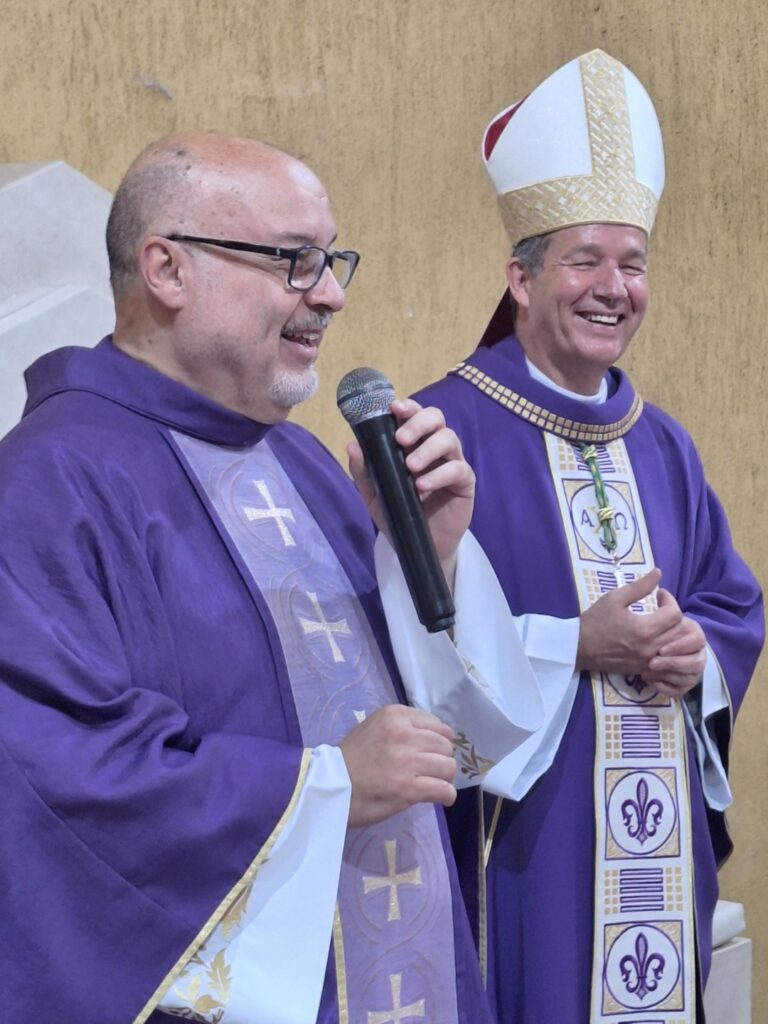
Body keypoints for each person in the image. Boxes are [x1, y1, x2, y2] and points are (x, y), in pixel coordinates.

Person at [0, 132, 544, 1024]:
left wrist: (429, 559)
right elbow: (60, 783)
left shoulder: (305, 461)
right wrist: (325, 785)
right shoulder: (49, 484)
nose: (328, 294)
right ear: (166, 270)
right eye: (295, 260)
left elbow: (453, 746)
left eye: (332, 260)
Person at [417, 50, 764, 1024]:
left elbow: (730, 600)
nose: (614, 287)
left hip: (658, 862)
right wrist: (576, 643)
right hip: (528, 849)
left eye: (634, 261)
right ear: (519, 278)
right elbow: (401, 636)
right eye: (585, 259)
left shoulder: (664, 445)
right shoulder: (444, 435)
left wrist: (701, 653)